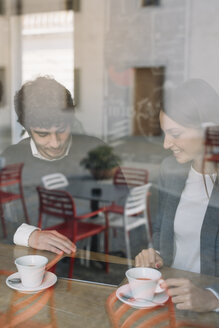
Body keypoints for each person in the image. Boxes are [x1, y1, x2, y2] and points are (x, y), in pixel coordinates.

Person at [135, 79, 219, 312]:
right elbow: (162, 228)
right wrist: (156, 253)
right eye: (164, 133)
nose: (166, 144)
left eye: (175, 133)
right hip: (169, 298)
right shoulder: (170, 169)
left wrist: (213, 298)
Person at [1, 76, 104, 246]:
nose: (55, 143)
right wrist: (29, 235)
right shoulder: (11, 157)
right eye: (43, 134)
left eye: (62, 130)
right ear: (26, 128)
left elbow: (125, 203)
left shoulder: (96, 149)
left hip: (90, 256)